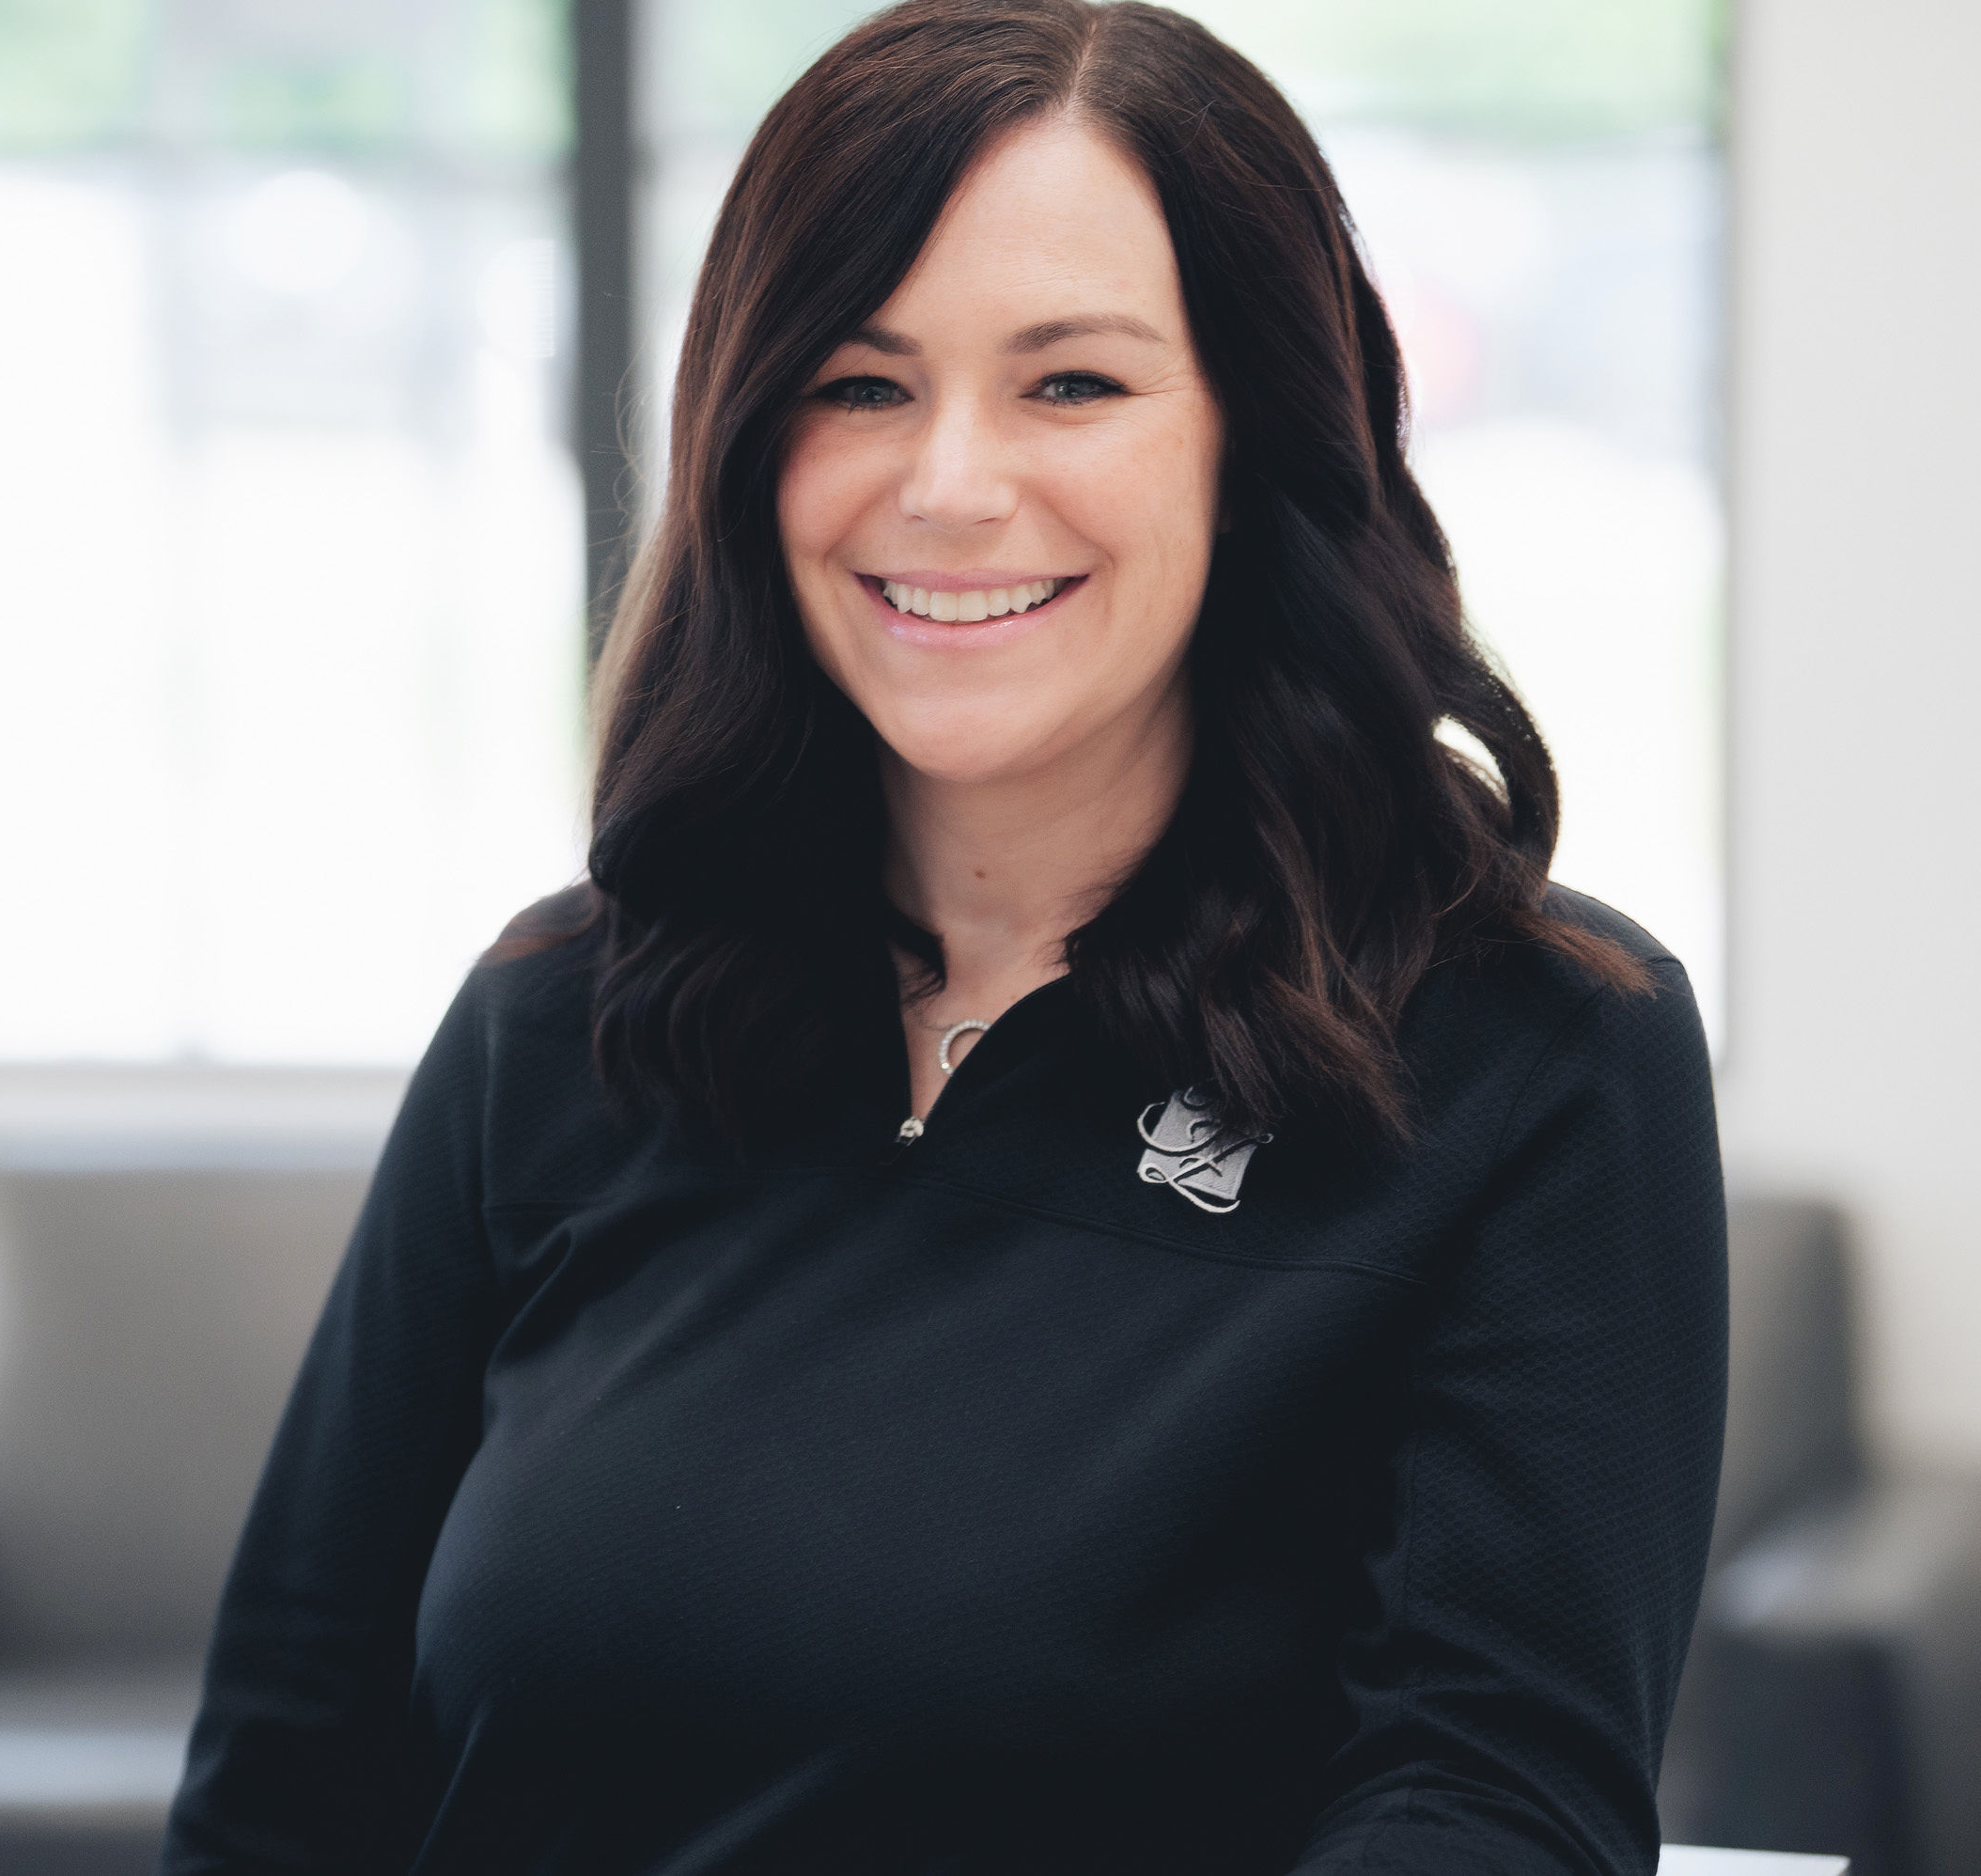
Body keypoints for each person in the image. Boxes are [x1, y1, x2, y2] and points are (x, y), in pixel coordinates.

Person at [161, 1, 1725, 1870]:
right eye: (860, 384)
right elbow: (285, 1771)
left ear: (1253, 438)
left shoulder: (1534, 1051)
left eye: (1072, 385)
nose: (953, 484)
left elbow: (1493, 1801)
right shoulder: (560, 1014)